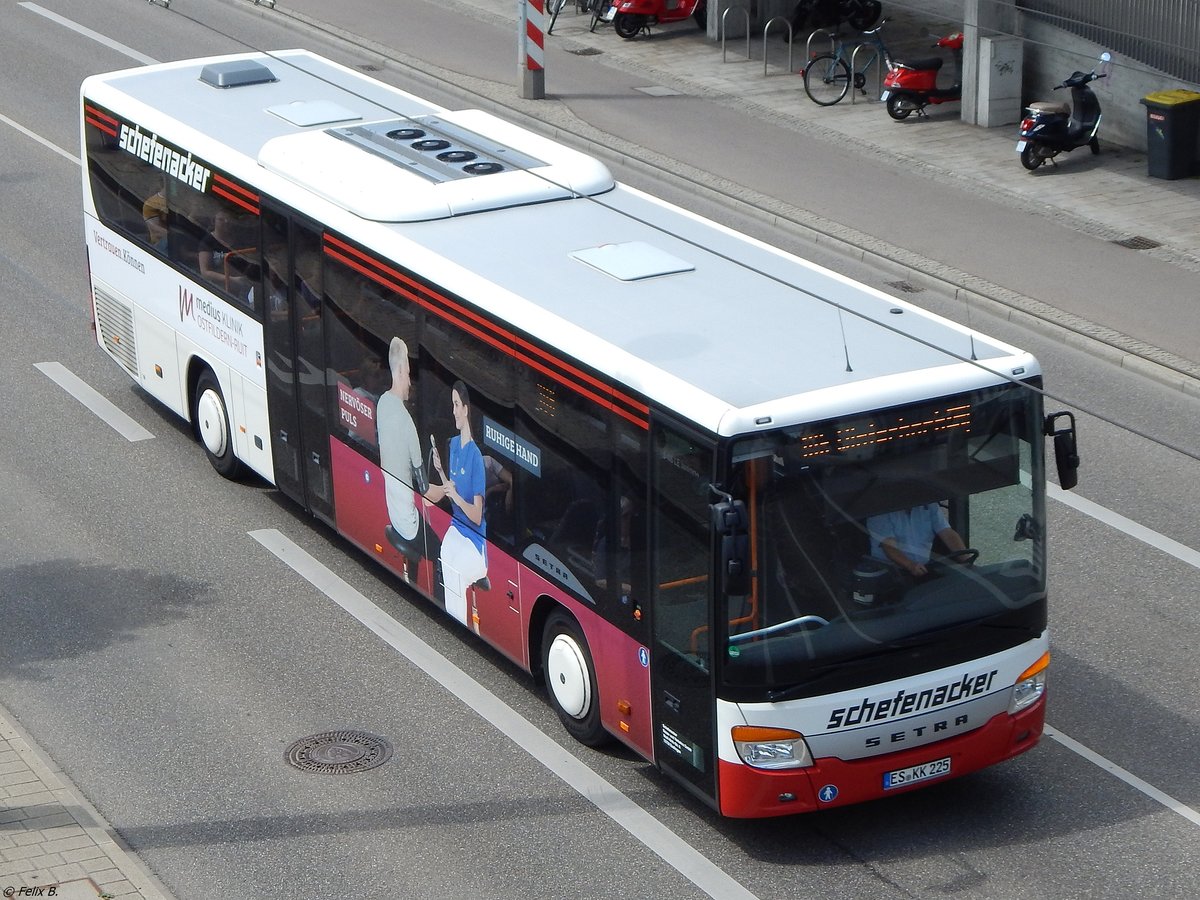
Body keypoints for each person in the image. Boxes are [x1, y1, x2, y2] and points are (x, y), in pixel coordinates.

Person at [424, 380, 488, 625]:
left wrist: (457, 497)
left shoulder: (475, 457)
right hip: (456, 531)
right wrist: (441, 474)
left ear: (466, 409)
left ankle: (459, 624)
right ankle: (455, 620)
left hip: (474, 542)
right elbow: (450, 490)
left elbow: (476, 516)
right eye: (452, 405)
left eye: (456, 405)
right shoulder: (452, 446)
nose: (453, 411)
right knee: (446, 556)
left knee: (457, 570)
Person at [377, 337, 436, 574]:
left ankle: (410, 576)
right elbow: (425, 490)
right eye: (409, 373)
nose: (411, 381)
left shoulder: (382, 403)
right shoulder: (408, 423)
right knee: (442, 550)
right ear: (401, 370)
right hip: (408, 526)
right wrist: (449, 488)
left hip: (393, 509)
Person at [867, 502, 967, 579]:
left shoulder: (929, 505)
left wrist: (966, 559)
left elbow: (947, 533)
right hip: (891, 574)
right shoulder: (880, 512)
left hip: (923, 569)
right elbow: (889, 546)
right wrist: (910, 565)